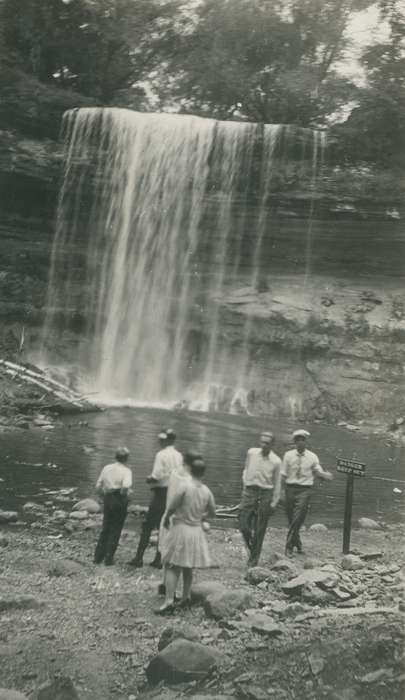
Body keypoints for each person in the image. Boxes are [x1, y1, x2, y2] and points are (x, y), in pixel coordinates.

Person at [155, 452, 216, 615]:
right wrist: (200, 517)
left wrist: (167, 518)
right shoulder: (206, 491)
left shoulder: (185, 486)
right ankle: (186, 597)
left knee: (171, 564)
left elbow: (172, 506)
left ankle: (169, 601)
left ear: (190, 470)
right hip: (196, 530)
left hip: (181, 528)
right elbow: (212, 512)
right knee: (188, 565)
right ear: (203, 473)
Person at [129, 428, 182, 568]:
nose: (160, 441)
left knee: (147, 525)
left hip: (160, 493)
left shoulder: (161, 454)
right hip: (173, 494)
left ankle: (138, 558)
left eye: (162, 439)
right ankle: (158, 559)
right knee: (164, 526)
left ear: (168, 440)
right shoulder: (179, 456)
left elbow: (156, 476)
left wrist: (149, 479)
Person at [281, 429, 333, 556]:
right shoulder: (288, 456)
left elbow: (318, 472)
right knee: (291, 519)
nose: (300, 442)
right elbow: (282, 474)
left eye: (302, 440)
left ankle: (288, 547)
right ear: (294, 442)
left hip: (304, 490)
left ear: (306, 441)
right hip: (290, 489)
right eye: (298, 440)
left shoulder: (312, 457)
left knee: (297, 517)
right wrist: (280, 491)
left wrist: (325, 475)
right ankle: (298, 543)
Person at [238, 431, 282, 567]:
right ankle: (253, 548)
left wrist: (274, 502)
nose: (264, 445)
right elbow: (245, 469)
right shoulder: (251, 453)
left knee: (260, 528)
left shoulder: (276, 461)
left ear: (272, 445)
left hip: (265, 493)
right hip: (250, 491)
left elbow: (277, 483)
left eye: (267, 443)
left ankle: (253, 560)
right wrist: (245, 484)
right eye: (262, 442)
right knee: (243, 524)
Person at [94, 446, 132, 566]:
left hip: (108, 497)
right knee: (116, 528)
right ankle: (109, 558)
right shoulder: (126, 471)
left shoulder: (107, 468)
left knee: (106, 527)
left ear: (115, 457)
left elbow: (98, 486)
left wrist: (102, 496)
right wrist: (123, 495)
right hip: (119, 498)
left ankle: (98, 557)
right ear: (126, 459)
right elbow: (126, 486)